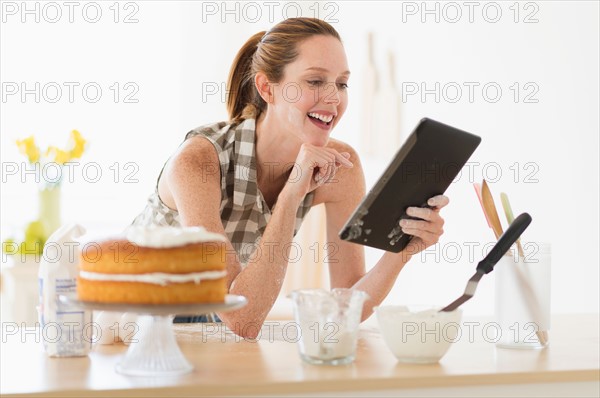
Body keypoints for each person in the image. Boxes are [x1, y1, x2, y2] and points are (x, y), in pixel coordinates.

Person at [132, 17, 448, 338]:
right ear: (267, 88)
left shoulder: (341, 166)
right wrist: (292, 193)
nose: (334, 99)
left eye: (341, 83)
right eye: (314, 82)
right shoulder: (198, 161)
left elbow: (348, 304)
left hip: (211, 327)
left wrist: (402, 251)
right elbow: (241, 318)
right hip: (132, 324)